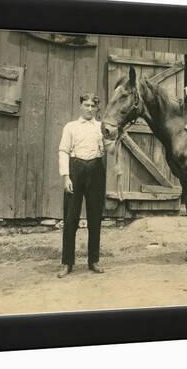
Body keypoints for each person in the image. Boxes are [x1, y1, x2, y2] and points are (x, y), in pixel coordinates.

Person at [57, 92, 110, 278]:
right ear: (81, 106)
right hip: (75, 170)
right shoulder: (71, 127)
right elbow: (63, 151)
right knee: (71, 218)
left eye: (92, 106)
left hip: (96, 170)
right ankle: (67, 262)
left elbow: (109, 148)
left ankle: (93, 260)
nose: (89, 109)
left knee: (95, 217)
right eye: (86, 105)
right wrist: (66, 176)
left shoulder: (101, 127)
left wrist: (113, 137)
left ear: (97, 108)